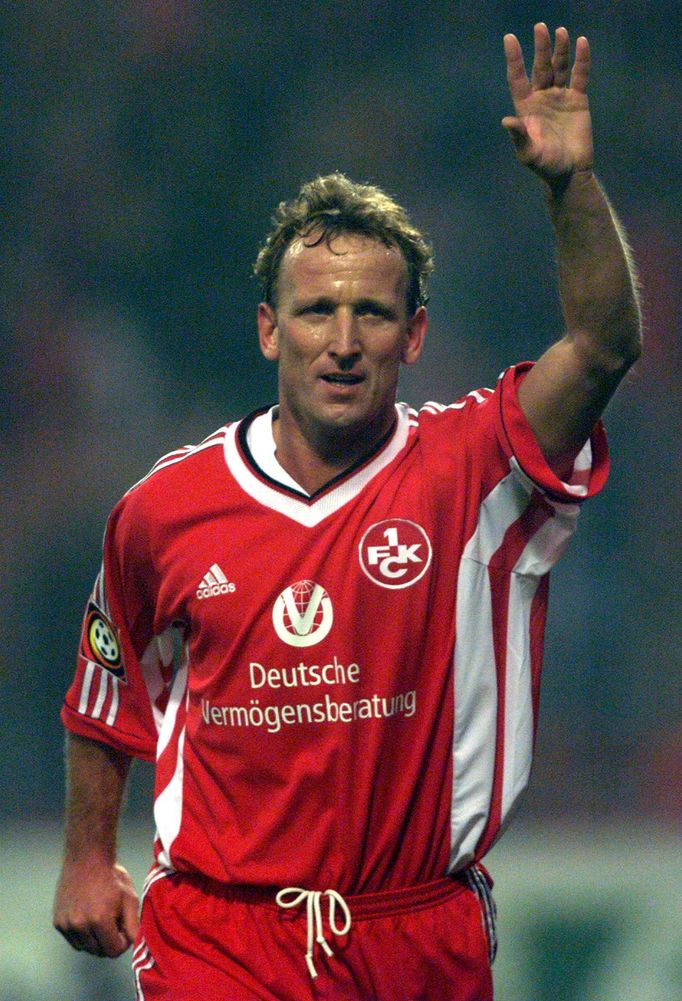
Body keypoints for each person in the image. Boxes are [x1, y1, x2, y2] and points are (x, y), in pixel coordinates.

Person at [53, 23, 641, 1001]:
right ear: (267, 329)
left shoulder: (474, 465)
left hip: (419, 928)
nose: (342, 339)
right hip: (223, 932)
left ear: (412, 336)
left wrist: (569, 183)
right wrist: (83, 855)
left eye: (371, 312)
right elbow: (105, 689)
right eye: (317, 310)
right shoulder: (166, 507)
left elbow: (604, 345)